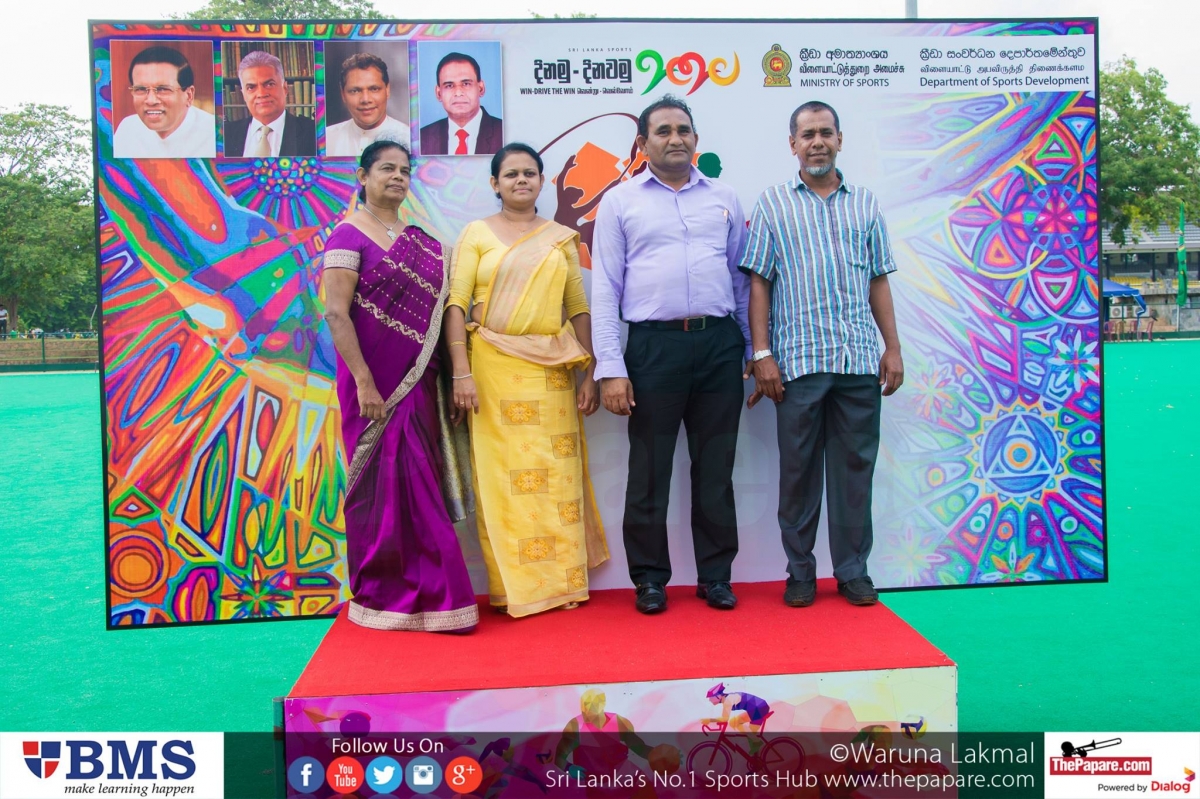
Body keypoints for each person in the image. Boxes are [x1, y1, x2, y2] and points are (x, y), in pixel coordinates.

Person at [591, 95, 750, 615]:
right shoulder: (620, 201)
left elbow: (740, 280)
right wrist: (611, 367)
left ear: (696, 140)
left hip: (719, 346)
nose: (675, 138)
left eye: (683, 130)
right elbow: (605, 289)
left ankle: (716, 576)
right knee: (650, 469)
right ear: (643, 143)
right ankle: (649, 579)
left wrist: (751, 347)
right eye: (663, 131)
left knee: (716, 467)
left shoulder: (725, 197)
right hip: (653, 349)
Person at [742, 101, 904, 608]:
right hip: (799, 363)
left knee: (855, 472)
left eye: (825, 133)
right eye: (807, 134)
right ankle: (800, 572)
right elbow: (759, 283)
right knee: (799, 474)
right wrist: (762, 353)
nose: (817, 142)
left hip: (858, 361)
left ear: (839, 140)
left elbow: (878, 280)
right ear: (792, 144)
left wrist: (892, 347)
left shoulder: (866, 204)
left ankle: (853, 570)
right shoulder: (773, 204)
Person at [444, 142, 607, 618]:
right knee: (504, 480)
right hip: (492, 369)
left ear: (541, 181)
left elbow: (577, 307)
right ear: (494, 183)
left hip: (552, 371)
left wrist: (590, 372)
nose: (521, 180)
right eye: (511, 174)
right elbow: (456, 304)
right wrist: (461, 372)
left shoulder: (559, 238)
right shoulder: (477, 233)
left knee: (556, 475)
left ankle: (563, 583)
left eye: (530, 173)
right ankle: (515, 588)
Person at [322, 140, 478, 633]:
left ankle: (438, 598)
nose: (397, 177)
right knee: (383, 489)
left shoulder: (424, 243)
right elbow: (336, 314)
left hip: (419, 384)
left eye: (404, 170)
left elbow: (446, 313)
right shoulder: (347, 234)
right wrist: (365, 383)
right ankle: (385, 597)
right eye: (386, 168)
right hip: (373, 388)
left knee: (420, 484)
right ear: (362, 176)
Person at [113, 45, 216, 159]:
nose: (151, 101)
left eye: (163, 89)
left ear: (189, 95)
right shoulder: (128, 128)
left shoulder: (214, 133)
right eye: (141, 89)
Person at [224, 50, 316, 158]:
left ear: (285, 88)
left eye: (269, 84)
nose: (261, 94)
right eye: (251, 87)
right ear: (243, 95)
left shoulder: (313, 133)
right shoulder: (225, 134)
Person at [326, 52, 411, 157]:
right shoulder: (327, 139)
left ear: (387, 90)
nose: (365, 99)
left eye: (374, 89)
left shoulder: (409, 139)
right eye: (355, 91)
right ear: (343, 94)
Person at [419, 52, 503, 156]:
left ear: (481, 88)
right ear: (439, 93)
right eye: (449, 86)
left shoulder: (503, 132)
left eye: (466, 84)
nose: (458, 93)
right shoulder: (422, 138)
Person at [702, 683, 770, 753]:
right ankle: (756, 753)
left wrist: (709, 720)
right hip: (759, 706)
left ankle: (757, 744)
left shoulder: (728, 701)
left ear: (718, 696)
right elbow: (724, 718)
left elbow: (724, 719)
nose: (709, 700)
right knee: (749, 734)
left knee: (740, 727)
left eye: (710, 697)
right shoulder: (727, 699)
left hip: (758, 708)